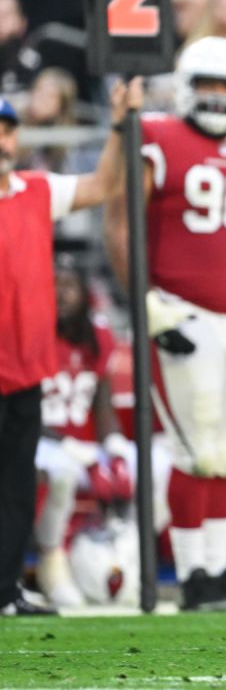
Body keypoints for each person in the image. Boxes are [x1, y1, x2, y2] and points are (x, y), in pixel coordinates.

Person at [104, 37, 226, 611]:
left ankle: (219, 571)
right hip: (182, 313)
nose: (218, 97)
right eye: (208, 85)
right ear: (184, 87)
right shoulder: (156, 136)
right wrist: (147, 306)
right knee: (194, 447)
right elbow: (119, 222)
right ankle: (196, 574)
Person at [0, 78, 142, 617]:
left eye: (6, 132)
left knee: (15, 489)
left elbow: (105, 184)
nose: (1, 142)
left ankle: (6, 591)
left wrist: (117, 125)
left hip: (27, 370)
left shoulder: (37, 189)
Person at [34, 255, 133, 609]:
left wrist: (115, 446)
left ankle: (129, 559)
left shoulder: (96, 335)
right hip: (38, 440)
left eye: (69, 285)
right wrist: (75, 448)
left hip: (85, 445)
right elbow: (22, 410)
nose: (61, 295)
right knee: (61, 473)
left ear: (84, 292)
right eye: (53, 286)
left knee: (146, 468)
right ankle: (52, 562)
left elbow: (103, 403)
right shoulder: (30, 332)